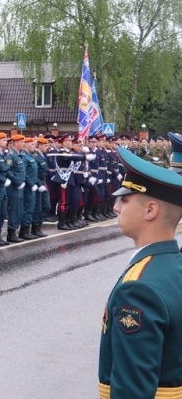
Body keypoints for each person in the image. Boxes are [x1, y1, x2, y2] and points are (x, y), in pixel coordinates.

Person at [98, 147, 182, 398]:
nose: (116, 208)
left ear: (150, 210)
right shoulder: (173, 265)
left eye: (124, 199)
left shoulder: (138, 289)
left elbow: (132, 390)